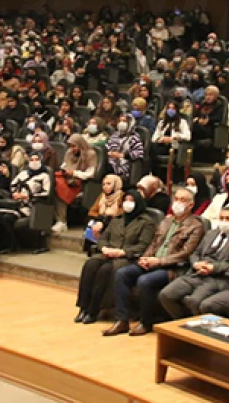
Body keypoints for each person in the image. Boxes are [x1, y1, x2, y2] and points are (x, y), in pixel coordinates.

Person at [104, 188, 204, 336]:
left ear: (190, 205)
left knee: (145, 281)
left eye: (182, 200)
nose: (178, 202)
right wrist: (145, 258)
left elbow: (185, 254)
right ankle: (122, 320)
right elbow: (154, 243)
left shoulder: (196, 226)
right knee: (122, 273)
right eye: (176, 198)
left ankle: (146, 322)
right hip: (152, 261)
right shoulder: (166, 220)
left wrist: (158, 261)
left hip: (173, 268)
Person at [74, 189, 158, 324]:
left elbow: (144, 245)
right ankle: (83, 307)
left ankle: (95, 309)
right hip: (109, 253)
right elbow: (103, 238)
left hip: (128, 257)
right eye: (126, 200)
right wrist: (104, 248)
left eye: (132, 201)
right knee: (91, 264)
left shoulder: (146, 222)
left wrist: (123, 252)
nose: (128, 203)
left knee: (106, 270)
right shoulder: (117, 219)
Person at [158, 206, 229, 319]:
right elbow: (195, 253)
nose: (224, 221)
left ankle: (196, 331)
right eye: (221, 218)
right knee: (166, 294)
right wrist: (196, 264)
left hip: (217, 279)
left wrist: (213, 267)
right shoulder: (210, 234)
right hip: (196, 273)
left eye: (228, 218)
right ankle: (181, 322)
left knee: (195, 301)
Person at [0, 149, 53, 253]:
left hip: (32, 206)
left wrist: (27, 196)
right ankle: (4, 244)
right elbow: (13, 185)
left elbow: (46, 193)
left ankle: (12, 245)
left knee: (7, 219)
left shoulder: (45, 176)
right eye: (32, 159)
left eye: (37, 159)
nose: (34, 161)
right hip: (16, 204)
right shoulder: (23, 173)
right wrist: (15, 194)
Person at [54, 133, 97, 233]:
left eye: (74, 146)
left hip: (80, 182)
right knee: (54, 184)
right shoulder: (69, 153)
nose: (72, 149)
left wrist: (74, 173)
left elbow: (90, 174)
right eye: (70, 146)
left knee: (59, 187)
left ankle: (62, 221)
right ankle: (57, 219)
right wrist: (66, 171)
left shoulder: (90, 154)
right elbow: (64, 165)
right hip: (67, 178)